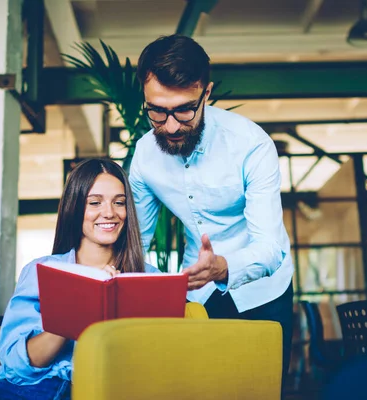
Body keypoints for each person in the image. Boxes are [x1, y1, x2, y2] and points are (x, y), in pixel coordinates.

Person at [129, 34, 295, 396]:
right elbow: (134, 244)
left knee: (257, 390)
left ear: (207, 93)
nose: (170, 126)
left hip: (264, 290)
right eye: (156, 111)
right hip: (196, 289)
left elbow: (270, 247)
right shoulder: (144, 156)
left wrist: (223, 266)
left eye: (184, 110)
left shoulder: (251, 145)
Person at [0, 158, 156, 400]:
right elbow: (19, 366)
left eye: (119, 203)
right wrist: (79, 311)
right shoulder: (42, 270)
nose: (109, 212)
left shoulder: (148, 277)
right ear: (75, 207)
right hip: (29, 389)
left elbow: (155, 362)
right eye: (95, 202)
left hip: (107, 389)